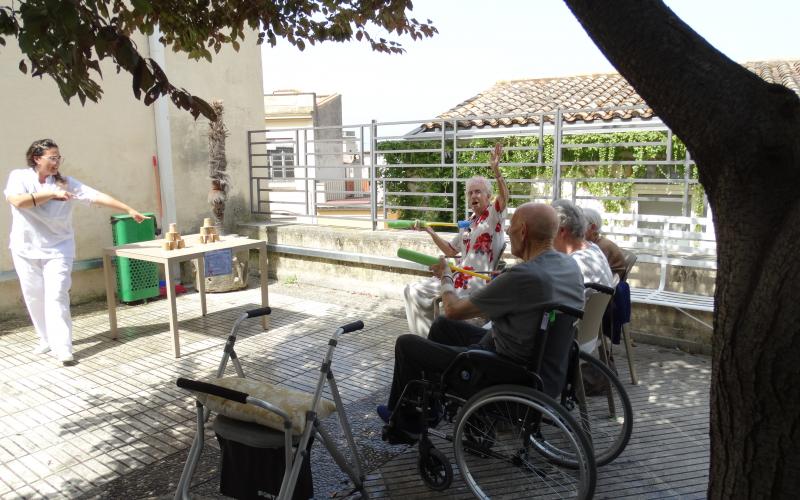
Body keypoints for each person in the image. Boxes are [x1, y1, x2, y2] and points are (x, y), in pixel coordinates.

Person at [379, 203, 584, 434]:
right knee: (443, 326)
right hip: (547, 367)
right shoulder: (570, 266)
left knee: (407, 344)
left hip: (505, 370)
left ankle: (406, 425)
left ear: (524, 231)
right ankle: (430, 408)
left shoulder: (522, 276)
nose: (508, 232)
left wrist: (446, 276)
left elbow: (454, 309)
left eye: (512, 227)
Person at [4, 139, 149, 365]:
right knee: (34, 296)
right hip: (25, 248)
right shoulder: (20, 177)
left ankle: (63, 347)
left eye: (58, 158)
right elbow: (17, 201)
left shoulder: (66, 183)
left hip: (58, 249)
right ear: (36, 158)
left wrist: (128, 209)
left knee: (57, 295)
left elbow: (97, 196)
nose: (57, 162)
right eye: (52, 158)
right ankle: (45, 339)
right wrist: (51, 194)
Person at [403, 143, 509, 336]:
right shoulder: (470, 222)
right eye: (470, 193)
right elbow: (451, 251)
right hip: (457, 277)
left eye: (478, 192)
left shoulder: (494, 216)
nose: (473, 195)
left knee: (418, 291)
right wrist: (429, 231)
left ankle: (431, 341)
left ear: (488, 196)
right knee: (412, 290)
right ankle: (425, 337)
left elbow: (505, 197)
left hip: (476, 282)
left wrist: (496, 171)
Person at [551, 200, 614, 353]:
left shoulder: (574, 264)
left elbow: (547, 305)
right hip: (588, 338)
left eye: (548, 230)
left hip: (567, 342)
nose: (547, 236)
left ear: (561, 231)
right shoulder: (594, 249)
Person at [582, 207, 627, 280]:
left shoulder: (600, 247)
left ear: (592, 227)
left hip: (606, 288)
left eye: (581, 226)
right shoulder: (597, 242)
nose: (576, 229)